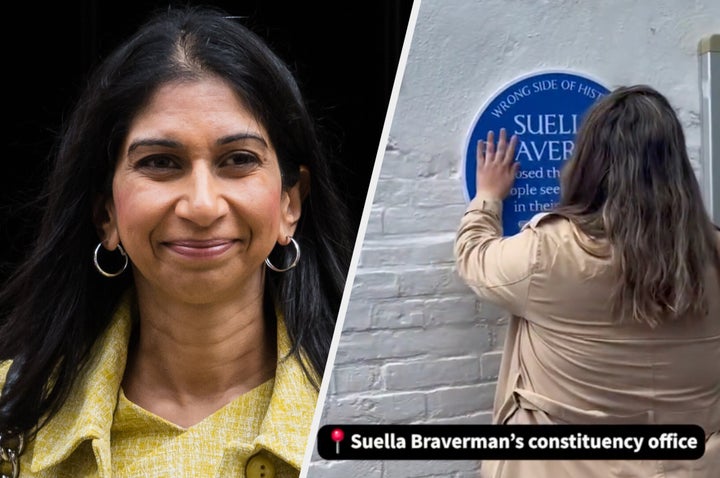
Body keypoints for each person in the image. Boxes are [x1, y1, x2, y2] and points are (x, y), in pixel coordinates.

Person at [0, 5, 352, 477]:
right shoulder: (12, 422)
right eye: (161, 163)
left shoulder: (367, 414)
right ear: (106, 212)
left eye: (238, 159)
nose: (202, 206)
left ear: (290, 204)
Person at [454, 85, 720, 477]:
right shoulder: (712, 253)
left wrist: (488, 197)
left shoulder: (546, 253)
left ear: (589, 162)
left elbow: (473, 257)